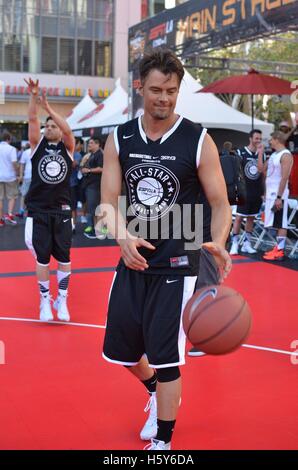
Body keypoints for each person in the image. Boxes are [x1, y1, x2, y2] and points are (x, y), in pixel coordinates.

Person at [100, 49, 232, 450]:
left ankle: (163, 442)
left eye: (171, 91)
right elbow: (107, 203)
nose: (164, 98)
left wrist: (219, 240)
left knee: (167, 355)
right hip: (133, 259)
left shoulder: (198, 139)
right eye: (156, 90)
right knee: (119, 353)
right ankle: (155, 390)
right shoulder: (119, 138)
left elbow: (220, 203)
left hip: (180, 261)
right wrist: (122, 235)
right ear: (140, 86)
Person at [24, 78, 75, 322]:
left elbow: (68, 130)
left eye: (54, 125)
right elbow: (32, 120)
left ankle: (61, 301)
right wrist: (34, 97)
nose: (51, 127)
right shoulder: (37, 145)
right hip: (39, 210)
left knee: (65, 259)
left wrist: (50, 109)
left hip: (62, 211)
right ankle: (45, 301)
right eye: (48, 125)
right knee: (42, 259)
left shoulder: (68, 147)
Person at [230, 129, 265, 255]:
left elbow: (262, 172)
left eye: (260, 139)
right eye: (256, 138)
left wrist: (263, 191)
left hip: (256, 191)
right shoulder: (241, 152)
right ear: (250, 138)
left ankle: (246, 243)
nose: (258, 141)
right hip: (243, 191)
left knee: (251, 218)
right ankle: (234, 244)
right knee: (239, 217)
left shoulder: (262, 154)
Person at [259, 131, 293, 261]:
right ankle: (277, 248)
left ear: (277, 140)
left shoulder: (286, 155)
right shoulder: (274, 154)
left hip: (279, 195)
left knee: (281, 222)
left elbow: (284, 178)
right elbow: (261, 169)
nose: (269, 142)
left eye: (271, 140)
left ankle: (280, 250)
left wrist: (279, 197)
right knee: (276, 223)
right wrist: (260, 152)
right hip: (271, 194)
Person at [81, 138, 103, 239]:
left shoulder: (100, 154)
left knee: (94, 209)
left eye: (91, 143)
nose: (89, 145)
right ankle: (94, 229)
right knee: (92, 209)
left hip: (95, 186)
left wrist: (89, 170)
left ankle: (96, 231)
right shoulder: (92, 155)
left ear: (97, 144)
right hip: (90, 185)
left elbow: (101, 168)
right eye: (88, 143)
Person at [0, 130, 19, 226]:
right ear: (8, 139)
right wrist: (17, 173)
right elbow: (14, 163)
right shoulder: (12, 149)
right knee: (12, 196)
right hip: (10, 176)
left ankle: (0, 219)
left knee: (0, 198)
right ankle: (10, 214)